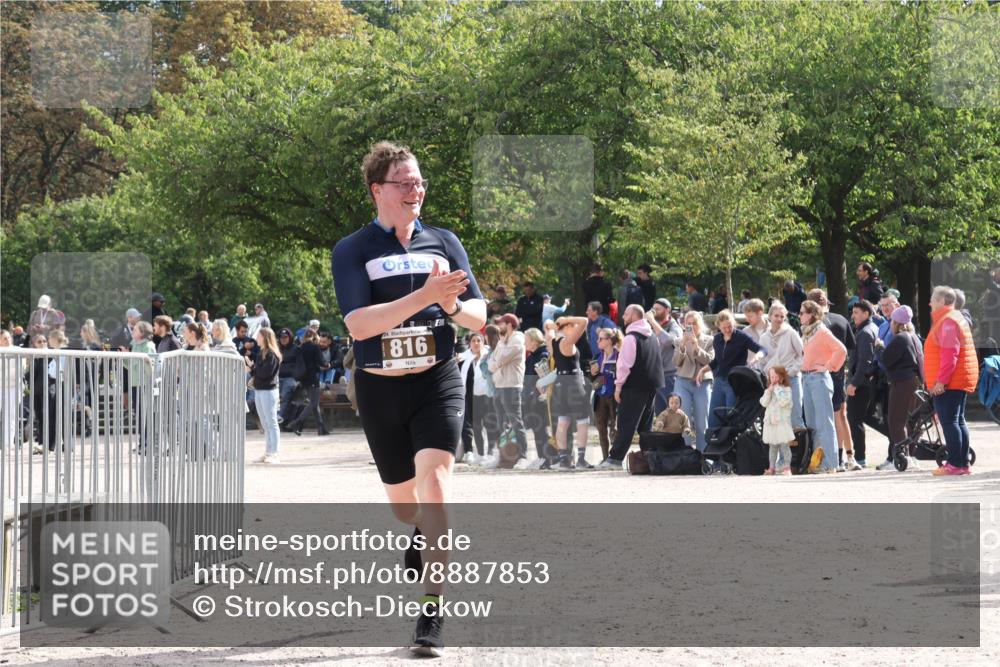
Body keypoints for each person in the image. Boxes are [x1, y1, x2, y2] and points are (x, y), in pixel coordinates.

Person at [331, 140, 487, 655]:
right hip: (380, 387)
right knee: (405, 508)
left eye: (420, 181)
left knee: (437, 487)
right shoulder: (353, 249)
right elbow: (358, 325)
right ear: (379, 190)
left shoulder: (443, 241)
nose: (416, 190)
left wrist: (452, 307)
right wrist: (425, 296)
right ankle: (418, 529)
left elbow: (478, 315)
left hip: (437, 379)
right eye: (405, 182)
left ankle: (432, 613)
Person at [600, 304, 664, 470]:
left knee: (626, 423)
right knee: (645, 426)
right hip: (652, 385)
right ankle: (649, 457)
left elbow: (624, 365)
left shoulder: (631, 338)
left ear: (635, 316)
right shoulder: (652, 336)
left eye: (626, 313)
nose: (623, 316)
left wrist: (618, 386)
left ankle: (614, 459)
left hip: (634, 385)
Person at [925, 286, 979, 476]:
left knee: (950, 422)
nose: (929, 303)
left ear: (941, 301)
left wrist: (941, 381)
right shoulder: (952, 319)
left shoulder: (947, 322)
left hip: (950, 381)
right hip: (958, 379)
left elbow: (950, 355)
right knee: (957, 421)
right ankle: (962, 463)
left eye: (932, 299)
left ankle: (955, 464)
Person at [807, 288, 857, 466]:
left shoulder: (814, 326)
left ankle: (833, 458)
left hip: (820, 373)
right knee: (841, 415)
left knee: (825, 418)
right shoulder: (842, 319)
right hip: (838, 373)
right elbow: (851, 348)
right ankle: (850, 456)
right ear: (826, 303)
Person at [799, 300, 847, 473]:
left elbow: (841, 349)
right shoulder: (807, 332)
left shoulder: (821, 331)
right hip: (807, 378)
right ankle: (817, 462)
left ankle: (831, 463)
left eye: (802, 312)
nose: (800, 315)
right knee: (812, 423)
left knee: (824, 423)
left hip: (819, 379)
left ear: (811, 314)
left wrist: (828, 366)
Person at [700, 310, 766, 428]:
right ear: (718, 326)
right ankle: (715, 443)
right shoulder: (717, 339)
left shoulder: (741, 337)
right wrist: (703, 370)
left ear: (733, 324)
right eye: (724, 327)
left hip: (734, 382)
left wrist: (757, 356)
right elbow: (717, 361)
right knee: (714, 417)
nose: (727, 330)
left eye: (730, 326)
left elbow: (762, 350)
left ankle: (732, 444)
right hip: (719, 381)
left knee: (732, 417)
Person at [879, 305, 924, 471]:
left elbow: (885, 360)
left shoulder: (900, 338)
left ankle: (901, 456)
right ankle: (911, 455)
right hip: (915, 382)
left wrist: (878, 347)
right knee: (912, 421)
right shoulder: (914, 337)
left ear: (896, 323)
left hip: (902, 382)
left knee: (896, 421)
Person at [545, 316, 592, 469]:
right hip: (573, 383)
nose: (574, 327)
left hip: (560, 383)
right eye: (572, 325)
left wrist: (555, 325)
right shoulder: (567, 342)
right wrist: (569, 319)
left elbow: (547, 326)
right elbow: (584, 321)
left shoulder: (553, 341)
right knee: (582, 422)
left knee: (562, 422)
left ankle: (564, 459)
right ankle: (581, 459)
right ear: (567, 327)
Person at [489, 313, 531, 465]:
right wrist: (500, 345)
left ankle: (523, 456)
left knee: (516, 422)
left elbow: (501, 358)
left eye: (501, 323)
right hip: (499, 386)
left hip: (512, 387)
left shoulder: (517, 340)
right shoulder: (503, 341)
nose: (498, 326)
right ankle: (504, 457)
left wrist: (497, 360)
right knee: (501, 423)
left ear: (509, 325)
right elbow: (491, 363)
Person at [845, 300, 881, 471]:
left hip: (861, 384)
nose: (853, 315)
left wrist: (854, 383)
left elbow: (864, 362)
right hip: (865, 382)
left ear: (866, 314)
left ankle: (860, 458)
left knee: (854, 420)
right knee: (867, 418)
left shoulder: (865, 332)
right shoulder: (868, 329)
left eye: (856, 312)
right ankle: (897, 438)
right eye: (853, 312)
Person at [759, 302, 805, 432]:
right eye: (776, 316)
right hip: (775, 382)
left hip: (792, 379)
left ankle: (802, 451)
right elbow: (762, 362)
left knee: (796, 418)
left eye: (782, 316)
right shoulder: (763, 338)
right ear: (770, 316)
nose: (779, 319)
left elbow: (803, 353)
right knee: (779, 420)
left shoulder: (791, 333)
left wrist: (792, 371)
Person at [672, 310, 714, 452]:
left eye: (694, 324)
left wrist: (696, 347)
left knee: (702, 420)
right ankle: (686, 452)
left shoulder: (709, 340)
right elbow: (676, 362)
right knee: (683, 418)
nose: (691, 327)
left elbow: (710, 361)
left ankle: (704, 453)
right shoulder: (678, 341)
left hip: (702, 382)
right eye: (688, 324)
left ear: (700, 325)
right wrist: (683, 345)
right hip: (683, 381)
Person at [285, 329, 329, 437]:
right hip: (313, 378)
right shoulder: (314, 347)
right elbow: (321, 362)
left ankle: (321, 428)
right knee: (313, 403)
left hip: (304, 379)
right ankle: (296, 422)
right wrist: (328, 364)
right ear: (315, 336)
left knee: (315, 404)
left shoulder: (301, 347)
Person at [249, 327, 282, 464]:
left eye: (259, 336)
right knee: (265, 422)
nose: (257, 338)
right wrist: (253, 369)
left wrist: (252, 368)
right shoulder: (262, 352)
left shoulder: (272, 354)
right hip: (260, 389)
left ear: (265, 337)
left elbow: (265, 373)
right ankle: (268, 451)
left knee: (272, 422)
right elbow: (259, 372)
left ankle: (274, 453)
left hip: (269, 390)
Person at [589, 326, 620, 462]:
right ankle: (605, 458)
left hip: (614, 395)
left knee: (615, 428)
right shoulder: (598, 356)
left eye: (601, 339)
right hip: (600, 395)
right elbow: (592, 379)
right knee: (601, 428)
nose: (598, 342)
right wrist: (593, 373)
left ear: (609, 340)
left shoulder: (619, 354)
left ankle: (615, 457)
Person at [647, 298, 683, 413]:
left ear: (667, 310)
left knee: (674, 412)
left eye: (658, 309)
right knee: (661, 414)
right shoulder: (652, 326)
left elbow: (668, 341)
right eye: (653, 309)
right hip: (656, 376)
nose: (654, 311)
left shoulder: (675, 327)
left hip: (669, 376)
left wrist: (652, 321)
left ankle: (682, 431)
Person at [521, 327, 550, 467]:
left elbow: (544, 376)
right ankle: (541, 456)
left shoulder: (543, 354)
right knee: (536, 428)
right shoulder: (531, 355)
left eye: (526, 340)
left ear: (533, 340)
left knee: (542, 429)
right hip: (530, 397)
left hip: (540, 397)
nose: (525, 343)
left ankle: (548, 457)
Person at [467, 332, 498, 461]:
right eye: (473, 341)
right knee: (476, 426)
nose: (476, 343)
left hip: (487, 395)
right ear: (470, 344)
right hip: (474, 397)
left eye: (478, 340)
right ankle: (480, 453)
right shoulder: (466, 359)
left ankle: (491, 451)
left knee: (489, 424)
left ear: (483, 342)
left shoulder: (488, 356)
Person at [760, 365, 795, 475]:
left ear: (782, 377)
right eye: (771, 377)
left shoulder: (786, 390)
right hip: (771, 423)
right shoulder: (769, 391)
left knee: (784, 445)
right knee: (772, 446)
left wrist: (777, 390)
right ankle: (771, 468)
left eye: (775, 377)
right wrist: (768, 391)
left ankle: (787, 467)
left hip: (782, 423)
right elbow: (763, 402)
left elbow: (784, 401)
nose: (773, 380)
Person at [0, 330, 23, 451]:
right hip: (0, 387)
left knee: (11, 417)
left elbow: (21, 369)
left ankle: (8, 444)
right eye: (4, 338)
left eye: (9, 337)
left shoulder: (17, 350)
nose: (8, 340)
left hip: (13, 387)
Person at [276, 328, 300, 425]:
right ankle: (276, 417)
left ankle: (279, 417)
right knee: (276, 398)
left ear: (290, 338)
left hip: (290, 378)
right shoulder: (277, 349)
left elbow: (300, 364)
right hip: (277, 378)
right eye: (281, 337)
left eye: (285, 337)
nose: (283, 339)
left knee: (285, 396)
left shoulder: (296, 349)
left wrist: (296, 377)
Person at [742, 299, 769, 363]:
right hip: (752, 371)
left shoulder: (773, 330)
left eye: (750, 316)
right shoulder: (745, 332)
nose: (747, 320)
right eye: (746, 317)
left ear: (760, 313)